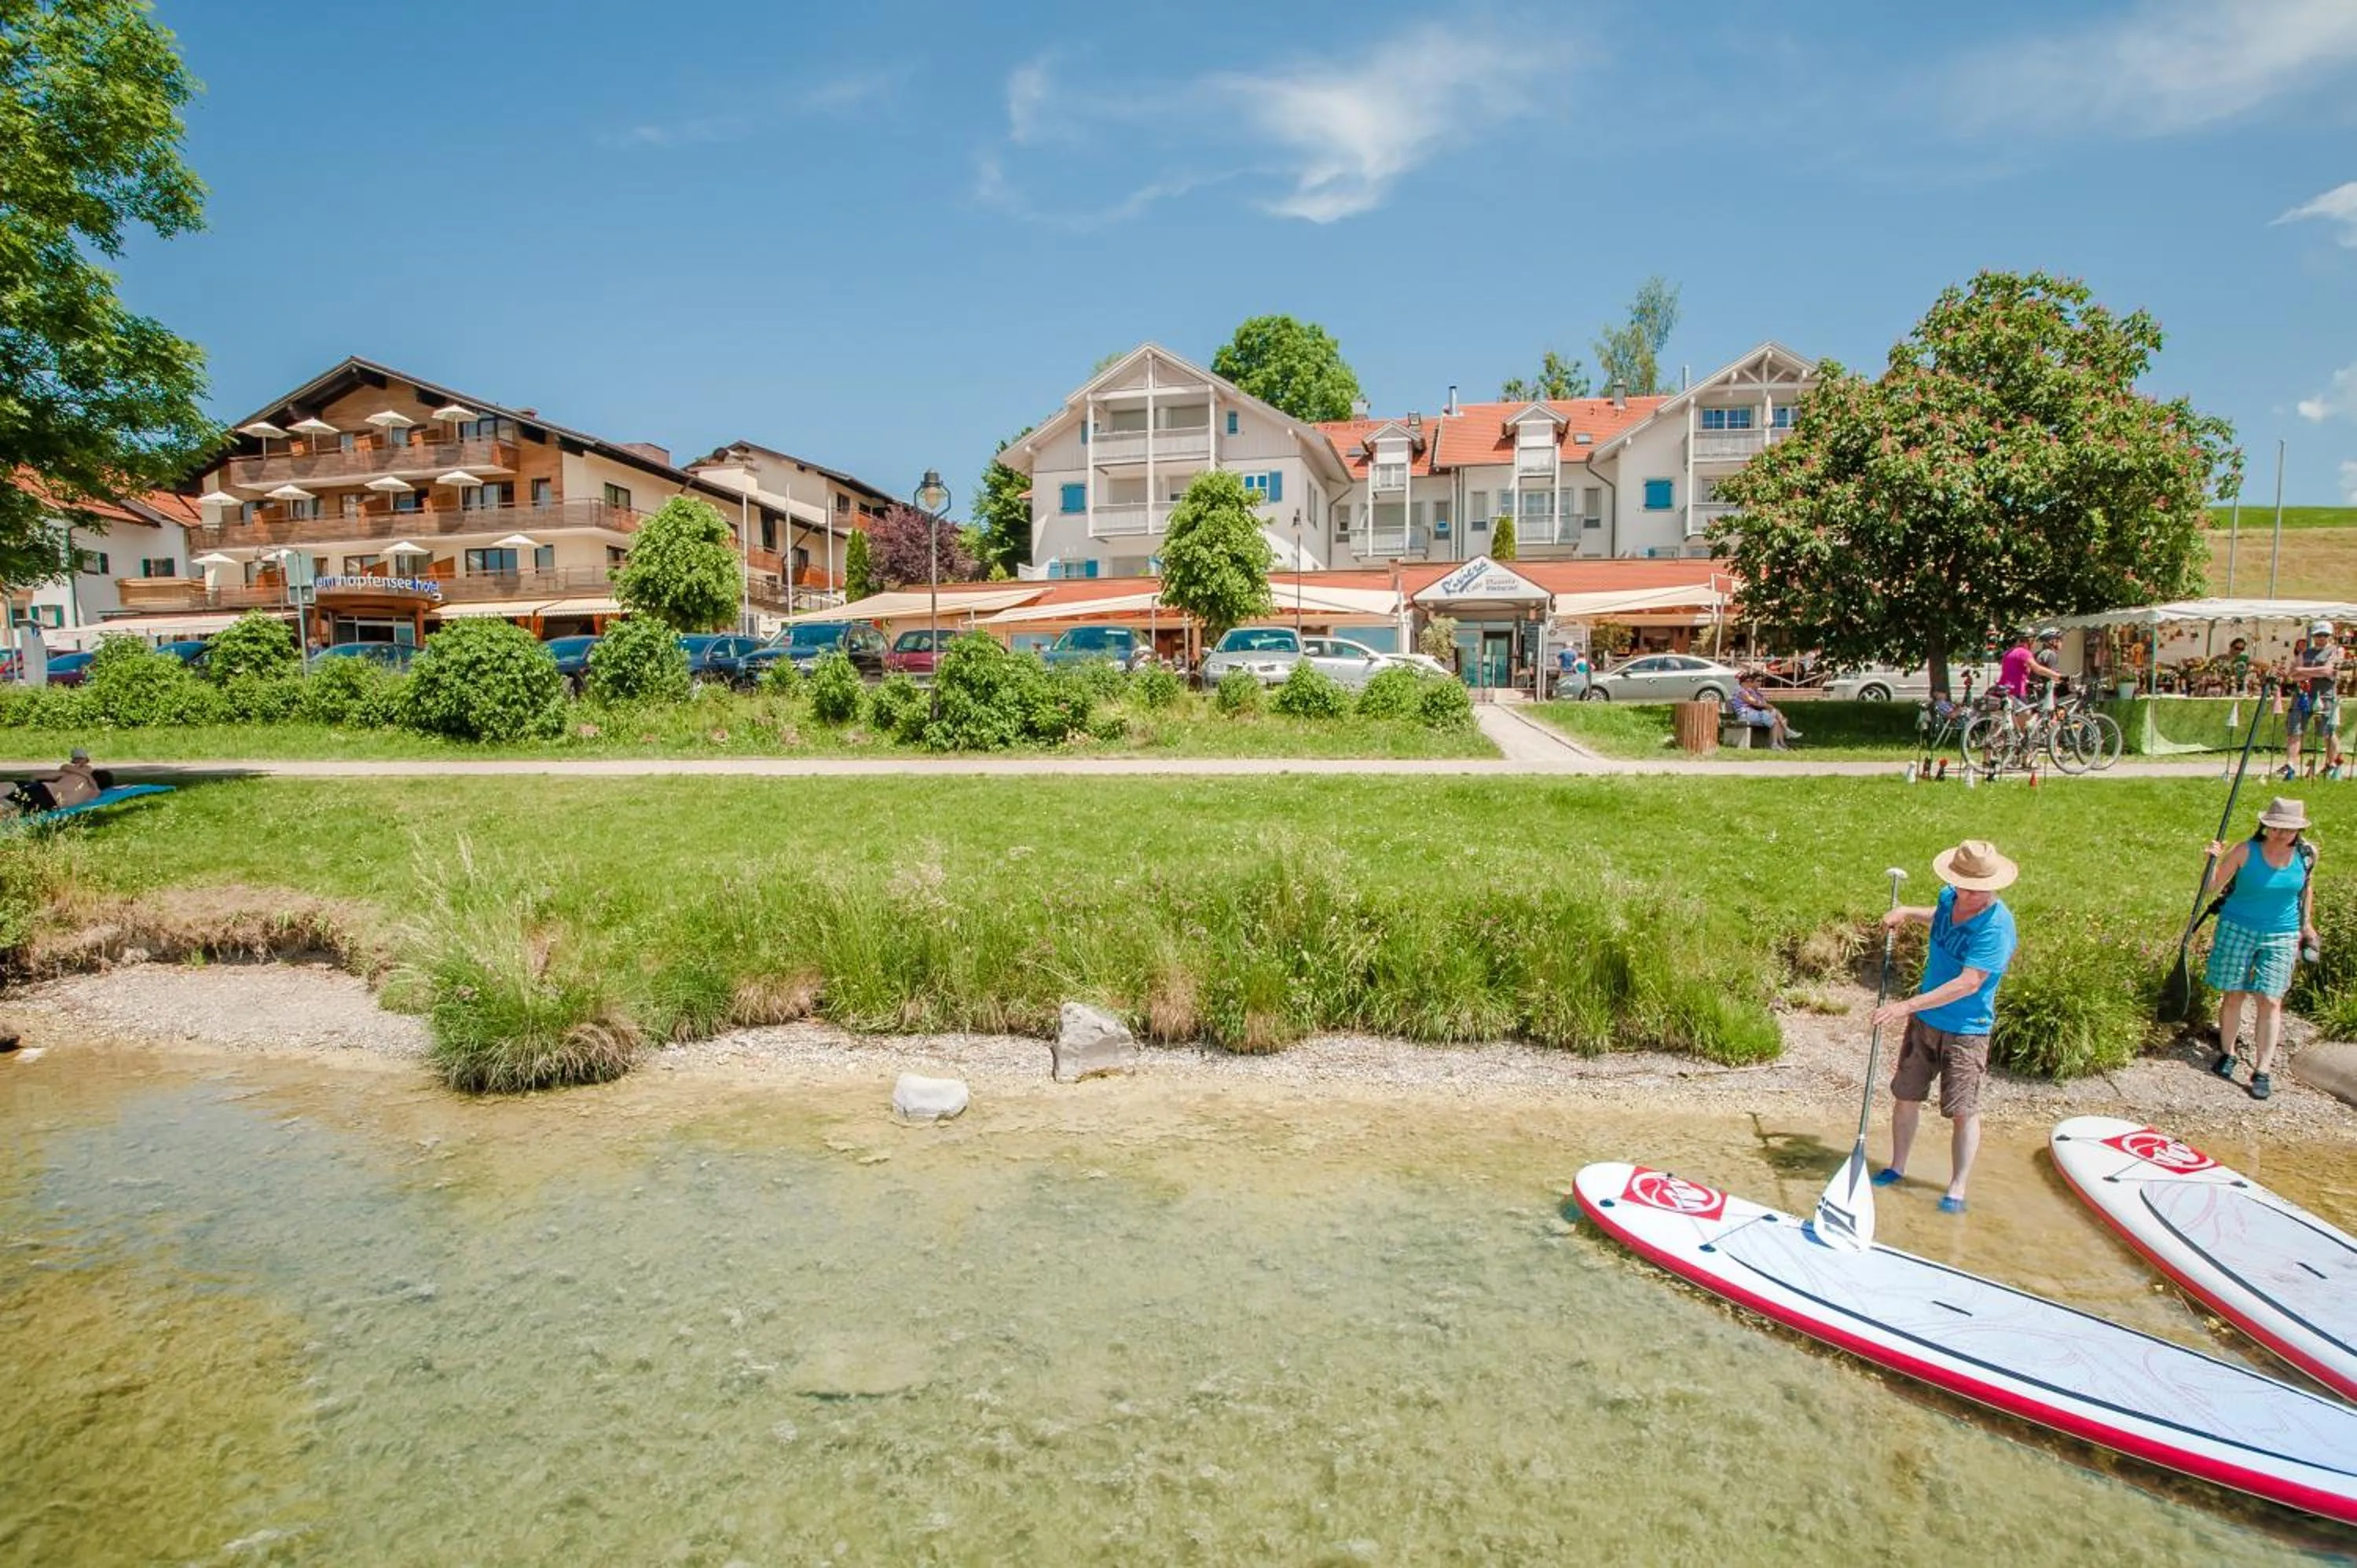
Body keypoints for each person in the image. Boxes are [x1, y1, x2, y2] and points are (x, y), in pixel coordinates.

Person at [1868, 839, 2020, 1213]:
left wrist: (1906, 1005)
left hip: (1967, 1029)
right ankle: (1897, 1167)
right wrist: (1905, 912)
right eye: (1960, 884)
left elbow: (1969, 983)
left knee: (1962, 1109)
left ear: (1990, 887)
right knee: (1906, 1094)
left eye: (1974, 889)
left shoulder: (1997, 928)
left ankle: (1957, 1188)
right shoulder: (1951, 897)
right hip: (1926, 1020)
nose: (1964, 893)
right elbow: (1939, 917)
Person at [2205, 797, 2319, 1102]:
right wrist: (2212, 860)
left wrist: (2307, 926)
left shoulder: (2307, 855)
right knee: (2234, 993)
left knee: (2270, 999)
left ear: (2298, 830)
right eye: (2275, 827)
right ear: (2265, 825)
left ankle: (2262, 1070)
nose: (2281, 834)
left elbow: (2306, 889)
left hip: (2282, 933)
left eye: (2288, 829)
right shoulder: (2245, 851)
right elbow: (2212, 887)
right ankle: (2228, 1053)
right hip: (2237, 927)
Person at [2283, 621, 2342, 782]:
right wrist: (2315, 672)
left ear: (2330, 636)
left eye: (2324, 635)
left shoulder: (2335, 651)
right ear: (2313, 636)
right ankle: (2290, 765)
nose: (2321, 638)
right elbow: (2293, 676)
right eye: (2318, 635)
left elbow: (2328, 670)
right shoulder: (2305, 653)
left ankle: (2332, 764)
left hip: (2325, 697)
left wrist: (2303, 670)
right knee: (2295, 729)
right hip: (2303, 695)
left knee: (2327, 731)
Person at [1998, 628, 2068, 737]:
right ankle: (2027, 749)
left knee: (2008, 724)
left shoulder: (2008, 653)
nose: (2035, 644)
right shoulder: (2026, 653)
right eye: (2034, 641)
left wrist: (2029, 681)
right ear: (2029, 641)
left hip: (2003, 689)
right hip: (2017, 691)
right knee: (2030, 723)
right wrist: (2059, 677)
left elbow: (2015, 671)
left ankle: (1997, 750)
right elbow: (2037, 669)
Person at [1732, 669, 1801, 749]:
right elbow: (1754, 702)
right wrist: (1766, 705)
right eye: (1749, 681)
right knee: (1774, 719)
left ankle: (1779, 742)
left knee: (1775, 717)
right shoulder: (1741, 691)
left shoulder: (1744, 690)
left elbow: (1757, 702)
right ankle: (1778, 741)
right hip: (1745, 715)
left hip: (1749, 713)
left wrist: (1765, 705)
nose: (1750, 683)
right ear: (1744, 682)